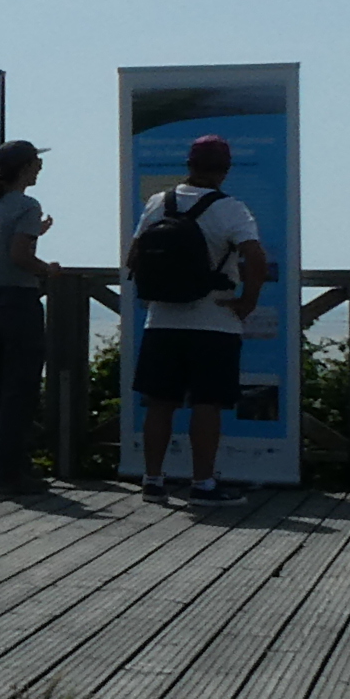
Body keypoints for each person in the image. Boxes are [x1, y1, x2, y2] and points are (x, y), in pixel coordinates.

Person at [131, 132, 272, 504]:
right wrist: (248, 301)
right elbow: (256, 258)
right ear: (224, 170)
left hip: (161, 320)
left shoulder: (157, 203)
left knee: (160, 402)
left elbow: (135, 256)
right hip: (214, 321)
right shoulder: (231, 209)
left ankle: (153, 480)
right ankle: (203, 484)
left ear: (189, 166)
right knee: (207, 404)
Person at [0, 139, 54, 490]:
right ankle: (11, 471)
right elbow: (19, 256)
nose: (40, 166)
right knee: (22, 388)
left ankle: (10, 465)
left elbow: (1, 247)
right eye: (36, 161)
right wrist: (47, 269)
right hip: (20, 303)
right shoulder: (27, 205)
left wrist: (37, 234)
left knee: (3, 386)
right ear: (23, 167)